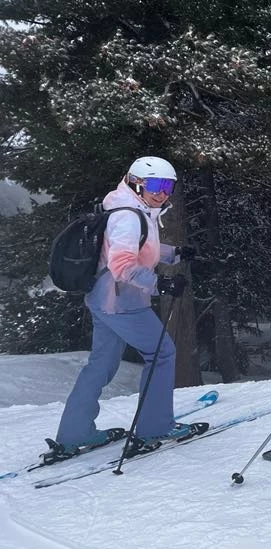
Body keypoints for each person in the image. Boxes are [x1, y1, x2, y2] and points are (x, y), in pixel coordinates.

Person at [51, 156, 197, 457]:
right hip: (122, 301)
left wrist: (174, 253)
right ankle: (155, 427)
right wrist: (161, 284)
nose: (162, 192)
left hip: (102, 300)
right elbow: (122, 265)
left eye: (168, 185)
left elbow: (136, 246)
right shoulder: (130, 216)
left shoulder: (125, 205)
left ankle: (74, 433)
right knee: (162, 353)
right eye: (155, 185)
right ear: (136, 182)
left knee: (101, 364)